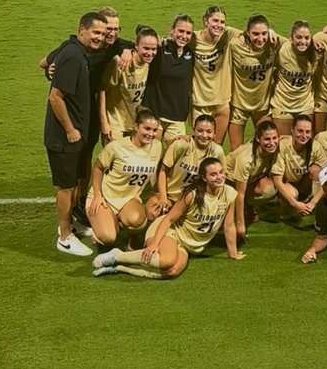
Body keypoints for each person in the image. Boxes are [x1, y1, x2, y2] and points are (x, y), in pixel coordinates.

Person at [41, 6, 132, 233]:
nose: (110, 34)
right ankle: (68, 224)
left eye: (114, 29)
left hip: (88, 112)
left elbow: (142, 42)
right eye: (105, 29)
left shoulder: (117, 45)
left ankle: (81, 202)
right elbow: (45, 62)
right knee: (71, 167)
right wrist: (51, 71)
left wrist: (129, 50)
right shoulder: (78, 49)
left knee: (84, 159)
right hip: (75, 112)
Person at [92, 157, 243, 279]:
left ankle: (118, 268)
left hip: (187, 245)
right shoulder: (192, 194)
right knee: (166, 261)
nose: (220, 177)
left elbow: (229, 225)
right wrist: (154, 244)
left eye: (221, 172)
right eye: (213, 174)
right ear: (204, 178)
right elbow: (169, 219)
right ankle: (117, 256)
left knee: (172, 271)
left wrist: (233, 253)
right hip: (169, 231)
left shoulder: (229, 194)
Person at [43, 10, 108, 257]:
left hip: (73, 135)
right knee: (66, 187)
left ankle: (71, 225)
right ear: (82, 30)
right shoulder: (72, 55)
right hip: (63, 137)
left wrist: (48, 67)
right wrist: (70, 130)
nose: (99, 37)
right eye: (95, 32)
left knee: (71, 185)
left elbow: (44, 62)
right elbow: (55, 97)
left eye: (102, 33)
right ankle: (64, 236)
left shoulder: (74, 50)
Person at [86, 108, 162, 246]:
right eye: (147, 128)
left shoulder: (157, 147)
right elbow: (97, 168)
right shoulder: (116, 146)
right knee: (108, 238)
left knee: (138, 221)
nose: (150, 134)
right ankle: (106, 225)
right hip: (105, 198)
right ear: (136, 126)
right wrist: (97, 194)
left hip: (129, 199)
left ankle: (118, 226)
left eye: (154, 130)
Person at [147, 113, 226, 218]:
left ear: (215, 134)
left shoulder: (217, 151)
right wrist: (163, 198)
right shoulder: (181, 145)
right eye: (200, 130)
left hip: (195, 199)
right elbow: (162, 171)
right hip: (171, 196)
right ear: (194, 130)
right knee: (154, 211)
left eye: (209, 131)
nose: (204, 135)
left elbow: (221, 180)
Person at [227, 14, 282, 149]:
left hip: (262, 106)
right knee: (235, 148)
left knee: (265, 146)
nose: (260, 38)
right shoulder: (235, 45)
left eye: (264, 33)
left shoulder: (275, 43)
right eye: (255, 34)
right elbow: (222, 30)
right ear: (247, 33)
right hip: (239, 105)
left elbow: (298, 42)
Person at [190, 5, 241, 145]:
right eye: (215, 21)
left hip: (222, 102)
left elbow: (252, 33)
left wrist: (270, 31)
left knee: (216, 144)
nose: (219, 25)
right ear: (205, 20)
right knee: (199, 145)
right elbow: (174, 38)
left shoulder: (228, 34)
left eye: (222, 22)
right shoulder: (193, 39)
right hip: (199, 103)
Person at [98, 26, 160, 141]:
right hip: (115, 124)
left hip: (135, 123)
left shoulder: (151, 63)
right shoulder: (120, 62)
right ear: (136, 46)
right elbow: (102, 90)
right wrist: (104, 123)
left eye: (153, 49)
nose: (150, 53)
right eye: (146, 48)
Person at [225, 118, 280, 240]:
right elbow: (239, 193)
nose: (272, 143)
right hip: (227, 184)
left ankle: (248, 207)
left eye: (274, 138)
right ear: (258, 139)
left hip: (248, 181)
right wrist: (241, 224)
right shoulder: (246, 159)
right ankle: (233, 210)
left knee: (270, 189)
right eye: (267, 139)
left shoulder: (273, 150)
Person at [144, 14, 195, 144]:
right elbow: (141, 32)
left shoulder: (191, 53)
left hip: (177, 116)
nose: (184, 36)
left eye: (188, 33)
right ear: (172, 30)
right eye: (181, 31)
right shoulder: (159, 48)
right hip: (155, 113)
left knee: (179, 151)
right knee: (152, 153)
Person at [270, 20, 318, 137]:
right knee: (283, 143)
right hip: (282, 104)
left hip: (305, 105)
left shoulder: (316, 51)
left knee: (305, 143)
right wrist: (269, 30)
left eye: (307, 38)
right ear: (291, 37)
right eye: (299, 37)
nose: (303, 41)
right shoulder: (282, 49)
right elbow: (267, 34)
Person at [271, 114, 319, 220]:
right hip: (287, 182)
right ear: (292, 130)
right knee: (289, 193)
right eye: (300, 131)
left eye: (307, 132)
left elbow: (326, 177)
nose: (304, 135)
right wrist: (295, 204)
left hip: (303, 182)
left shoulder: (316, 146)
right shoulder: (283, 145)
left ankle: (308, 200)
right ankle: (285, 206)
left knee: (317, 170)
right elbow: (277, 180)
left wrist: (313, 202)